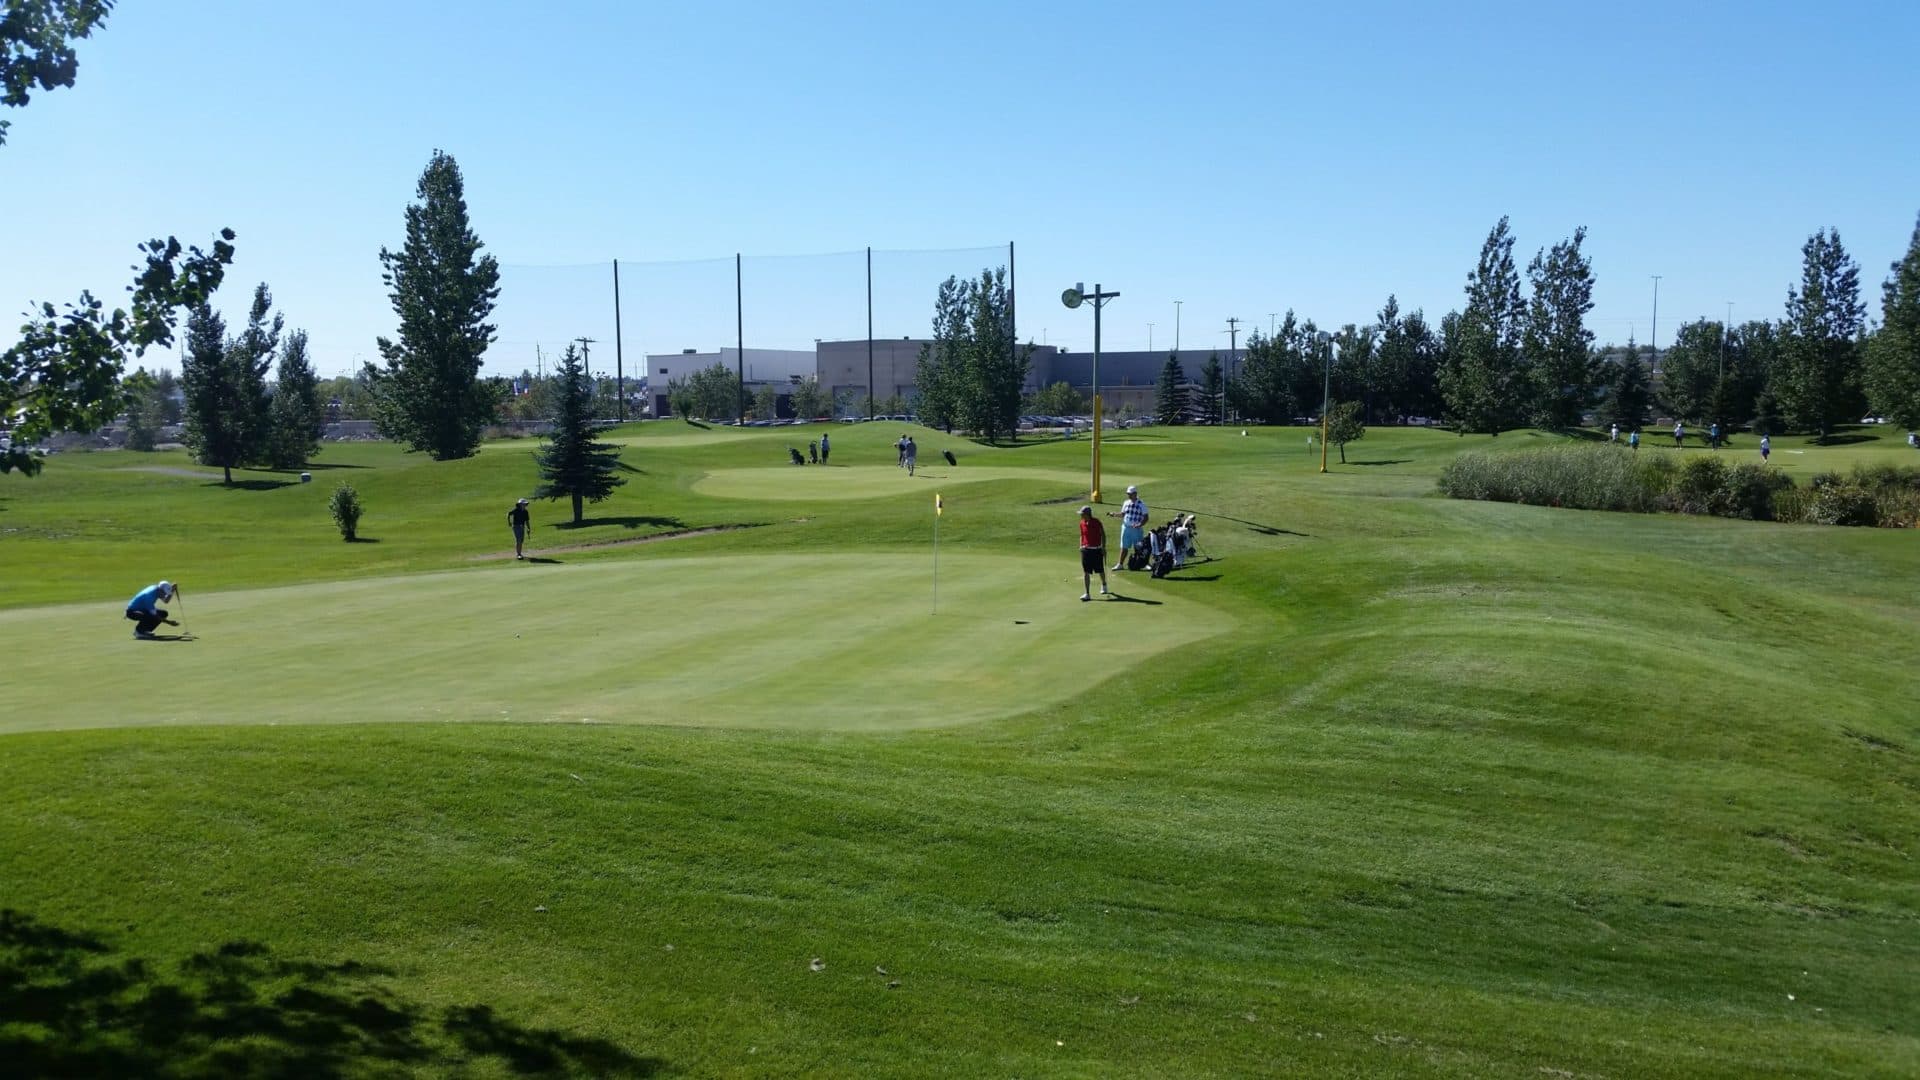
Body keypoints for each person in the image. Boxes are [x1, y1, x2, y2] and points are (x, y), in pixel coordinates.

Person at [1108, 485, 1148, 571]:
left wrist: (1139, 525)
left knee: (1138, 547)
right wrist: (1114, 514)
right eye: (1128, 494)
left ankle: (1144, 564)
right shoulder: (1126, 502)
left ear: (1135, 494)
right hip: (1126, 528)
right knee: (1124, 547)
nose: (1129, 495)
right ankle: (1120, 564)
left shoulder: (1141, 504)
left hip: (1136, 529)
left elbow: (1146, 518)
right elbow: (1123, 514)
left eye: (1130, 494)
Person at [1077, 506, 1109, 601]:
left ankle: (1104, 584)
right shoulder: (1082, 523)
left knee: (1100, 570)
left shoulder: (1096, 522)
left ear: (1087, 514)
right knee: (1086, 572)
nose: (1081, 515)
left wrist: (1103, 547)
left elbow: (1103, 534)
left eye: (1082, 514)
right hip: (1086, 550)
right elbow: (1081, 535)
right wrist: (1081, 546)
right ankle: (1087, 593)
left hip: (1096, 550)